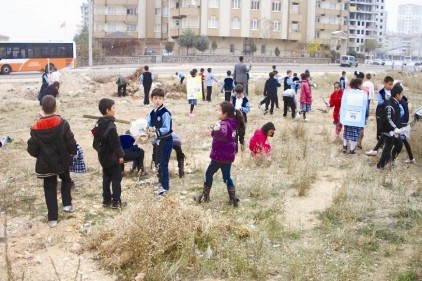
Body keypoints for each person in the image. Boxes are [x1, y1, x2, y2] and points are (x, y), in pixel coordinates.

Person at [27, 95, 77, 228]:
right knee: (66, 180)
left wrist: (41, 155)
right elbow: (70, 141)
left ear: (42, 108)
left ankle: (52, 219)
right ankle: (67, 205)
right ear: (56, 107)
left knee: (49, 187)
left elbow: (32, 148)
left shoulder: (35, 127)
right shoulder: (62, 123)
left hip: (45, 164)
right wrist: (73, 151)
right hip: (62, 160)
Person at [194, 101, 245, 207]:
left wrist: (216, 129)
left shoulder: (223, 123)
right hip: (228, 157)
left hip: (219, 156)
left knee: (209, 174)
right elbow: (224, 135)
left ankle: (205, 196)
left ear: (225, 113)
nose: (218, 112)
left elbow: (222, 133)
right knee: (227, 177)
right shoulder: (233, 123)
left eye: (219, 110)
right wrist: (213, 132)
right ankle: (233, 199)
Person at [91, 98, 126, 209]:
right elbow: (115, 143)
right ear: (108, 110)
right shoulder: (111, 126)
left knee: (106, 178)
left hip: (103, 158)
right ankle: (116, 202)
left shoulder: (98, 124)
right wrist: (120, 155)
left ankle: (106, 201)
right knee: (116, 179)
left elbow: (95, 143)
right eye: (114, 108)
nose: (115, 110)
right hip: (112, 157)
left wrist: (100, 151)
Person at [147, 88, 173, 196]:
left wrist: (155, 133)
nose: (158, 100)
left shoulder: (165, 113)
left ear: (163, 99)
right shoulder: (152, 113)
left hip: (165, 141)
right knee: (157, 162)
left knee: (163, 163)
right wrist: (147, 130)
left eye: (160, 98)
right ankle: (160, 183)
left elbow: (166, 128)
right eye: (155, 98)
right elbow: (148, 124)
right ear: (151, 99)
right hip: (157, 142)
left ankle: (165, 187)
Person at [377, 83, 404, 169]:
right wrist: (395, 128)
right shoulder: (390, 104)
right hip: (389, 131)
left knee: (399, 144)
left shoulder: (396, 103)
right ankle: (380, 166)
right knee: (387, 149)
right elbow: (388, 119)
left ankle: (391, 159)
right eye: (401, 94)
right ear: (397, 94)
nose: (402, 96)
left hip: (395, 131)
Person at [365, 76, 394, 156]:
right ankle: (380, 144)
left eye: (392, 85)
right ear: (385, 83)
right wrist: (388, 101)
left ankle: (385, 144)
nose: (390, 86)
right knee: (380, 128)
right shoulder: (381, 92)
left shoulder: (393, 91)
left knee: (387, 128)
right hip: (381, 112)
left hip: (389, 112)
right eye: (389, 84)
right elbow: (380, 102)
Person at [341, 78, 367, 154]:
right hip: (357, 118)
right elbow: (365, 108)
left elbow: (343, 105)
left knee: (346, 132)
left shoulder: (347, 92)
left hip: (348, 117)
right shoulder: (363, 94)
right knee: (355, 134)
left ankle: (345, 147)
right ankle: (352, 150)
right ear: (359, 85)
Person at [231, 84, 250, 153]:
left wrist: (242, 109)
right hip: (234, 119)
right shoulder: (233, 98)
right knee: (234, 135)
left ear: (242, 92)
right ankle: (235, 151)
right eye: (237, 93)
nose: (238, 95)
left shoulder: (245, 99)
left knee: (241, 135)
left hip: (242, 119)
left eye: (240, 93)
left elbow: (248, 109)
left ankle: (243, 150)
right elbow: (230, 107)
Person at [399, 95, 416, 164]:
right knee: (404, 141)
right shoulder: (404, 99)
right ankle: (411, 158)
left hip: (402, 124)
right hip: (405, 123)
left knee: (399, 140)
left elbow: (401, 112)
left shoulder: (399, 100)